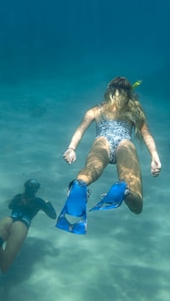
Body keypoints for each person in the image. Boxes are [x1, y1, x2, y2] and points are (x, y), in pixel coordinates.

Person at [56, 77, 161, 234]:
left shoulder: (96, 110)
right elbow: (147, 135)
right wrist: (155, 157)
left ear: (108, 91)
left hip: (102, 141)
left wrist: (71, 148)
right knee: (136, 203)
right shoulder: (134, 112)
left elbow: (80, 130)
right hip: (124, 143)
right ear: (130, 94)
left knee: (92, 168)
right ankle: (125, 192)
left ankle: (80, 184)